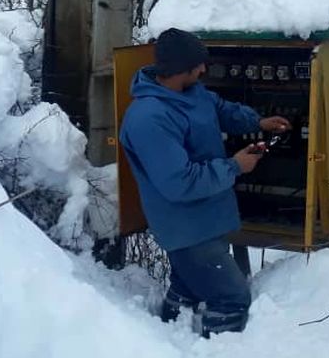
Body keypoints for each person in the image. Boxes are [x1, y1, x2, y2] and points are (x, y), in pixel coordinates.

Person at [119, 27, 292, 337]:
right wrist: (235, 166)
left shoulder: (191, 92)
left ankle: (168, 336)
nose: (203, 69)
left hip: (209, 215)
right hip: (186, 229)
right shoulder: (149, 118)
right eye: (198, 64)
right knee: (231, 297)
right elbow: (180, 182)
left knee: (188, 284)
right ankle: (218, 357)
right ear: (179, 68)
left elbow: (219, 109)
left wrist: (257, 121)